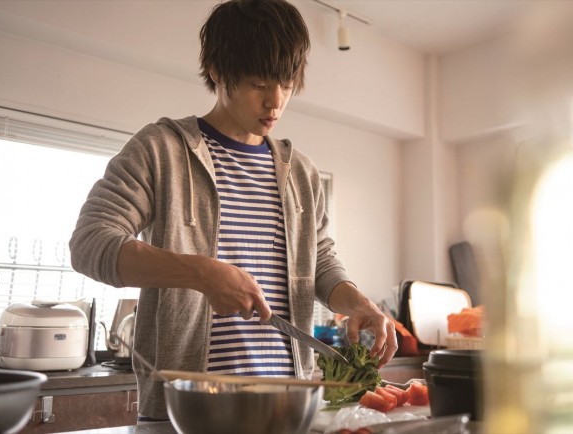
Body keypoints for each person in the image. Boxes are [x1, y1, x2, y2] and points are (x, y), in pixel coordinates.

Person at [70, 0, 397, 421]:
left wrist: (357, 303)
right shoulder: (160, 149)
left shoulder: (301, 172)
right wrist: (202, 273)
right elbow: (90, 244)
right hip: (186, 415)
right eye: (259, 84)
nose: (275, 102)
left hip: (287, 411)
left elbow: (321, 261)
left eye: (286, 84)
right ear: (220, 73)